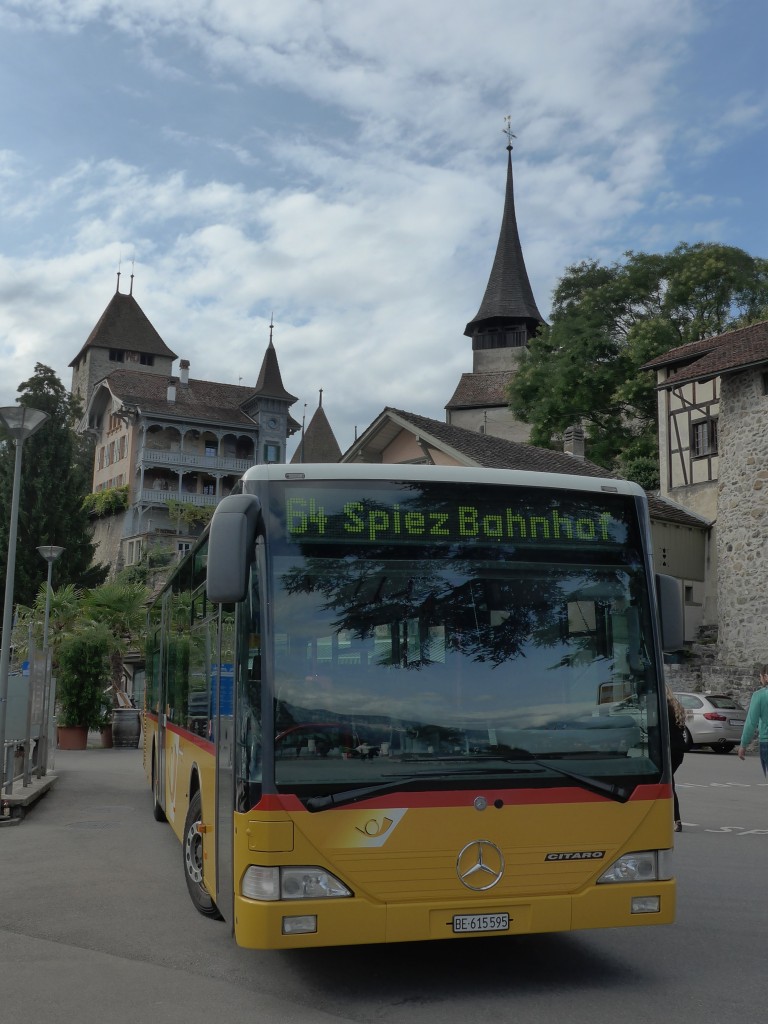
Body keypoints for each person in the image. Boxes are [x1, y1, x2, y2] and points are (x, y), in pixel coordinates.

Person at [737, 665, 768, 774]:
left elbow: (751, 722)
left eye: (760, 677)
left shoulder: (759, 696)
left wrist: (743, 744)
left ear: (766, 677)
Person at [666, 687, 686, 832]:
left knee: (668, 784)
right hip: (679, 749)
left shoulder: (662, 706)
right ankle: (676, 820)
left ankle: (676, 820)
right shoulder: (676, 705)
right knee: (669, 782)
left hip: (668, 749)